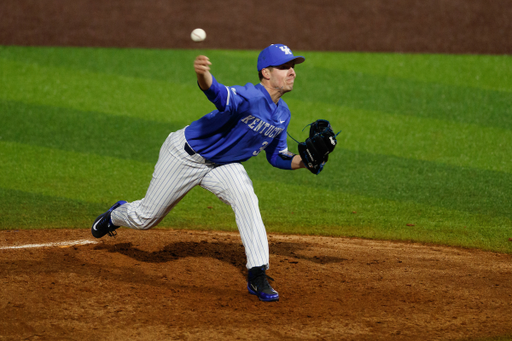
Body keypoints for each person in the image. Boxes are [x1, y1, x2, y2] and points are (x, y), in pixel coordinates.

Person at [91, 44, 307, 302]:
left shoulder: (283, 114)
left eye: (293, 66)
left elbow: (277, 156)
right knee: (145, 218)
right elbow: (216, 92)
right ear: (266, 73)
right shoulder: (249, 96)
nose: (292, 72)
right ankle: (116, 214)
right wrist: (203, 75)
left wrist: (305, 161)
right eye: (284, 67)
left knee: (246, 197)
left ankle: (258, 273)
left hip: (222, 165)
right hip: (184, 155)